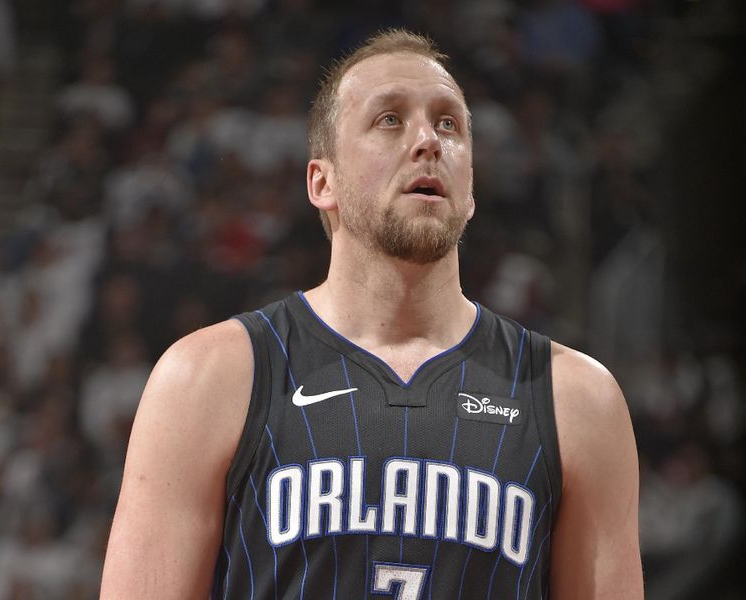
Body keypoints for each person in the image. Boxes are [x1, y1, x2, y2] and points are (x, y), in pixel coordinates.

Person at [100, 29, 643, 599]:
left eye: (450, 123)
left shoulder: (577, 400)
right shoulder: (207, 379)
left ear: (472, 188)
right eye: (389, 120)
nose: (429, 140)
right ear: (322, 181)